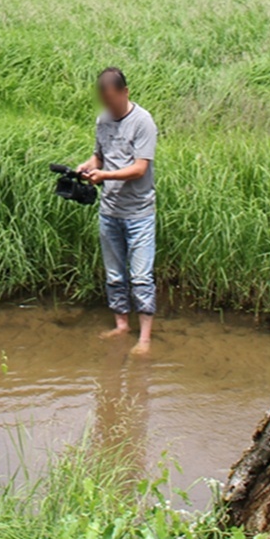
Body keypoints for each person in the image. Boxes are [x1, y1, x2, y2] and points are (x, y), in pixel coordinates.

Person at [77, 67, 159, 353]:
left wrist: (105, 176)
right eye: (105, 101)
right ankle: (122, 325)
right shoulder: (103, 120)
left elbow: (140, 168)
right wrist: (88, 167)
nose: (110, 106)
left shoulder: (143, 122)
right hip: (109, 210)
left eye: (113, 100)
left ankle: (145, 338)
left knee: (141, 277)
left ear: (125, 92)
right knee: (114, 274)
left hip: (139, 213)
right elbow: (99, 155)